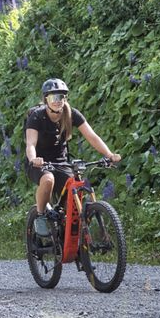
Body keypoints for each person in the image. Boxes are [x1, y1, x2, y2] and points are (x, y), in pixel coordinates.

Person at [24, 78, 121, 236]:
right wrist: (34, 159)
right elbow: (30, 144)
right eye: (53, 97)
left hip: (61, 162)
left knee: (74, 189)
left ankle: (67, 232)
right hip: (38, 163)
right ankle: (40, 215)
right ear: (45, 99)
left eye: (61, 97)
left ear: (65, 98)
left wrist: (109, 155)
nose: (58, 101)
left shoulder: (70, 114)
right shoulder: (36, 116)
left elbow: (92, 137)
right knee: (48, 179)